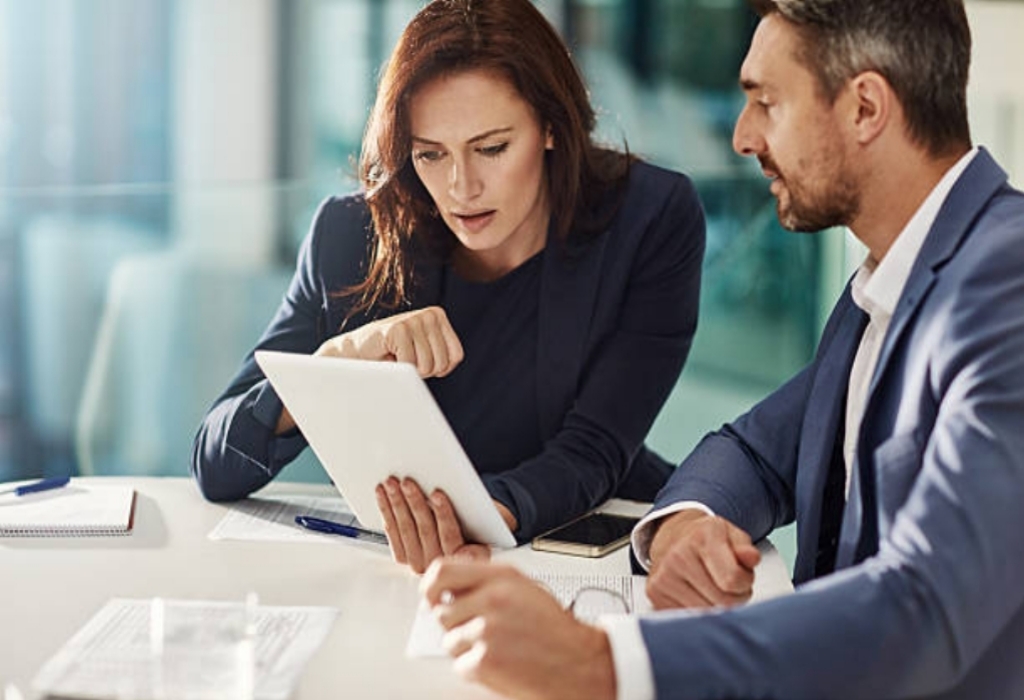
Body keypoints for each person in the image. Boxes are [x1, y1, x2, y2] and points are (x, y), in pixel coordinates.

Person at [421, 0, 1024, 697]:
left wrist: (604, 662)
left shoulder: (1004, 283)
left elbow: (928, 608)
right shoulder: (894, 281)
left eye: (766, 102)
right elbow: (756, 451)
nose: (741, 137)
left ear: (865, 108)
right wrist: (687, 523)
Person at [190, 0, 705, 574]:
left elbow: (594, 451)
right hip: (421, 561)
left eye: (491, 148)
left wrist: (478, 518)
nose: (462, 186)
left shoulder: (650, 219)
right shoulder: (351, 236)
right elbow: (216, 462)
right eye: (431, 154)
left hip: (588, 539)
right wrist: (333, 362)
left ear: (553, 127)